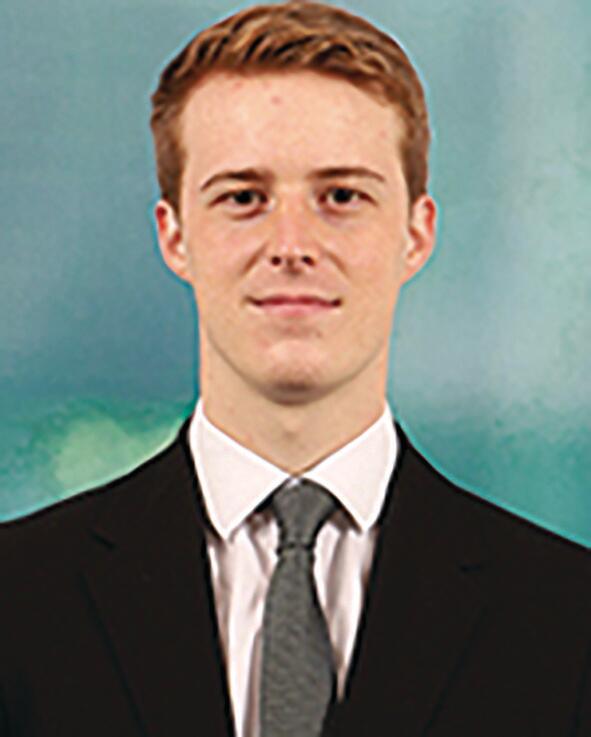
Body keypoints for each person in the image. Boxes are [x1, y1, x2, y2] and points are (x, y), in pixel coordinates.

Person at [1, 1, 589, 735]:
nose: (291, 245)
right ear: (174, 236)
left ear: (415, 234)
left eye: (341, 196)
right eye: (243, 198)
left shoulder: (569, 620)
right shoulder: (16, 602)